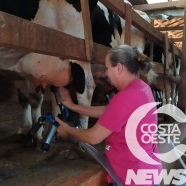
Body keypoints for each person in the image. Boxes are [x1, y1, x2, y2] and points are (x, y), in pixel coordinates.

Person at [56, 44, 162, 186]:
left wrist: (67, 130)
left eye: (107, 68)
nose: (105, 73)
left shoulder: (126, 96)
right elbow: (111, 111)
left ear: (119, 68)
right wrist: (72, 106)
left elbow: (93, 137)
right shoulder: (141, 88)